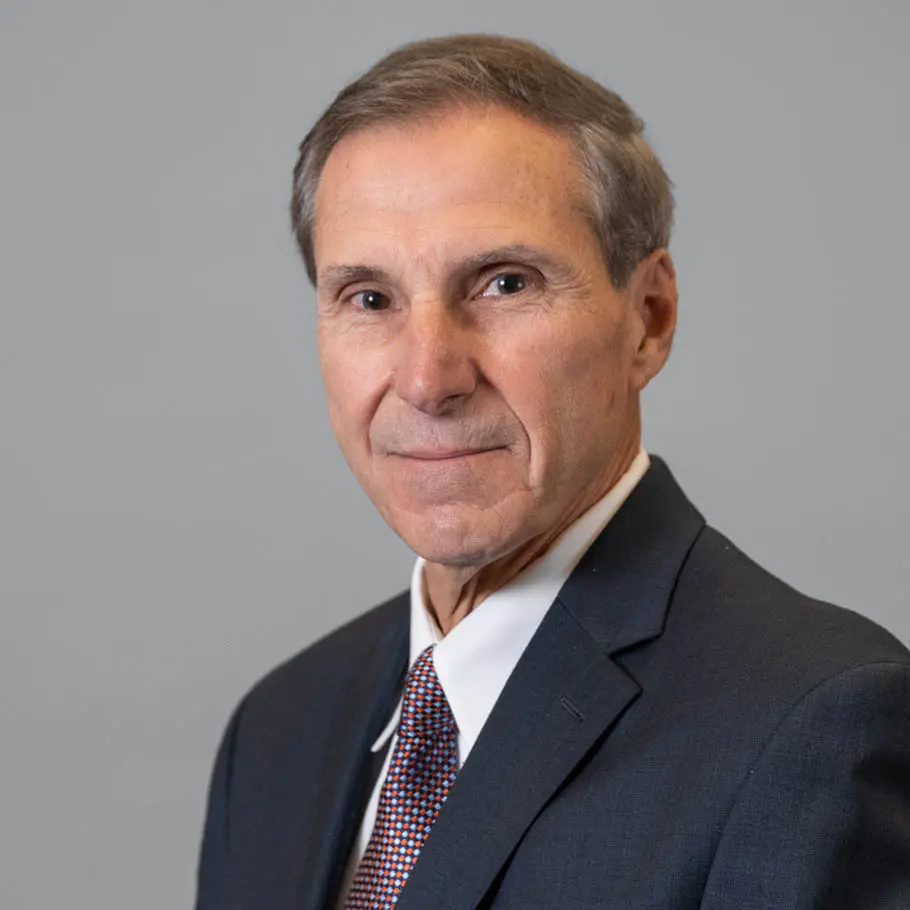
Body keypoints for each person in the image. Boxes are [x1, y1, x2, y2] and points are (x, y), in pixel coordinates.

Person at [195, 34, 910, 910]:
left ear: (648, 319)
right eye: (369, 299)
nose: (427, 379)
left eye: (503, 284)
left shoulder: (815, 726)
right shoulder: (278, 731)